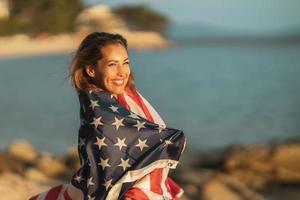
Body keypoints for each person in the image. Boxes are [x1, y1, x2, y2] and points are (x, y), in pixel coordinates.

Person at [29, 32, 186, 200]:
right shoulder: (100, 115)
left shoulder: (124, 100)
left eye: (125, 63)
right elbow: (104, 174)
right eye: (112, 64)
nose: (122, 72)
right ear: (91, 70)